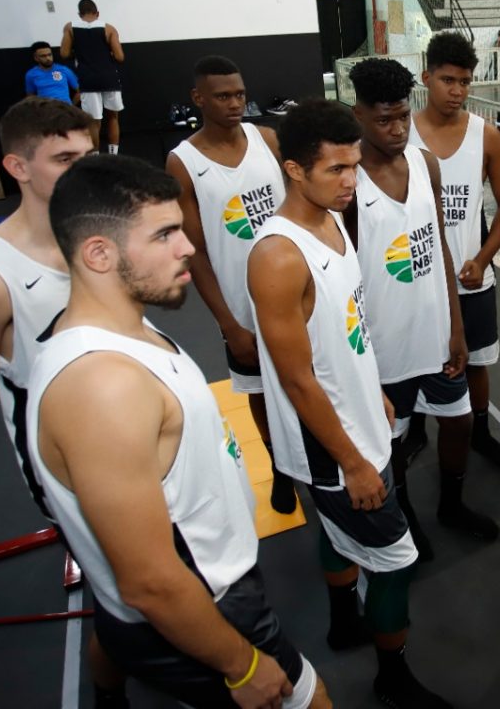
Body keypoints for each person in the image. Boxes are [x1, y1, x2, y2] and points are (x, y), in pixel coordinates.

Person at [28, 154, 328, 709]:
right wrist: (241, 666)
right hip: (206, 602)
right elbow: (149, 580)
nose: (188, 246)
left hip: (195, 590)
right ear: (99, 254)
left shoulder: (122, 329)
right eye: (164, 234)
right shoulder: (103, 386)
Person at [248, 99, 450, 708]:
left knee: (339, 534)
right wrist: (353, 463)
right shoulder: (278, 256)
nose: (351, 181)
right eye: (335, 169)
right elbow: (297, 380)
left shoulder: (332, 221)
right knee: (395, 562)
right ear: (293, 170)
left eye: (354, 165)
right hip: (334, 447)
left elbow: (344, 330)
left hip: (358, 418)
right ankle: (393, 677)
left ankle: (342, 620)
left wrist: (376, 390)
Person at [0, 97, 127, 706]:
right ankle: (111, 693)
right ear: (17, 167)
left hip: (139, 433)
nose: (84, 168)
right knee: (125, 598)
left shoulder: (103, 234)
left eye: (88, 154)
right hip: (72, 466)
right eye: (64, 158)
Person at [343, 57, 498, 562]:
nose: (396, 129)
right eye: (383, 119)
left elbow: (441, 249)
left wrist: (456, 326)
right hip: (384, 345)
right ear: (359, 115)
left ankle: (452, 504)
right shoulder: (348, 184)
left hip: (434, 332)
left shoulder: (425, 163)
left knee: (459, 421)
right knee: (393, 441)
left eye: (403, 116)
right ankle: (406, 512)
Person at [166, 55, 296, 513]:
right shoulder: (183, 162)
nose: (235, 103)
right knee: (258, 391)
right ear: (198, 99)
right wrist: (228, 324)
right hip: (242, 305)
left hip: (294, 292)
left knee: (308, 379)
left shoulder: (267, 139)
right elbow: (196, 251)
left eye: (239, 94)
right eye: (222, 96)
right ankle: (280, 468)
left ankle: (313, 457)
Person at [405, 32, 500, 472]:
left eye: (465, 82)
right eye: (447, 80)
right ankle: (416, 432)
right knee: (418, 362)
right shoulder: (403, 133)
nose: (456, 91)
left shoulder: (485, 135)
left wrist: (483, 258)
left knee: (476, 362)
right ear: (426, 78)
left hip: (473, 279)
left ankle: (481, 433)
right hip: (418, 280)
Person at [62, 0, 125, 154]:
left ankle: (96, 157)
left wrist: (79, 53)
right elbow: (120, 57)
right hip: (109, 77)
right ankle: (113, 155)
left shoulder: (70, 27)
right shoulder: (109, 28)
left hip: (88, 78)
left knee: (94, 122)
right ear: (97, 13)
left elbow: (64, 54)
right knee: (113, 117)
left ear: (79, 14)